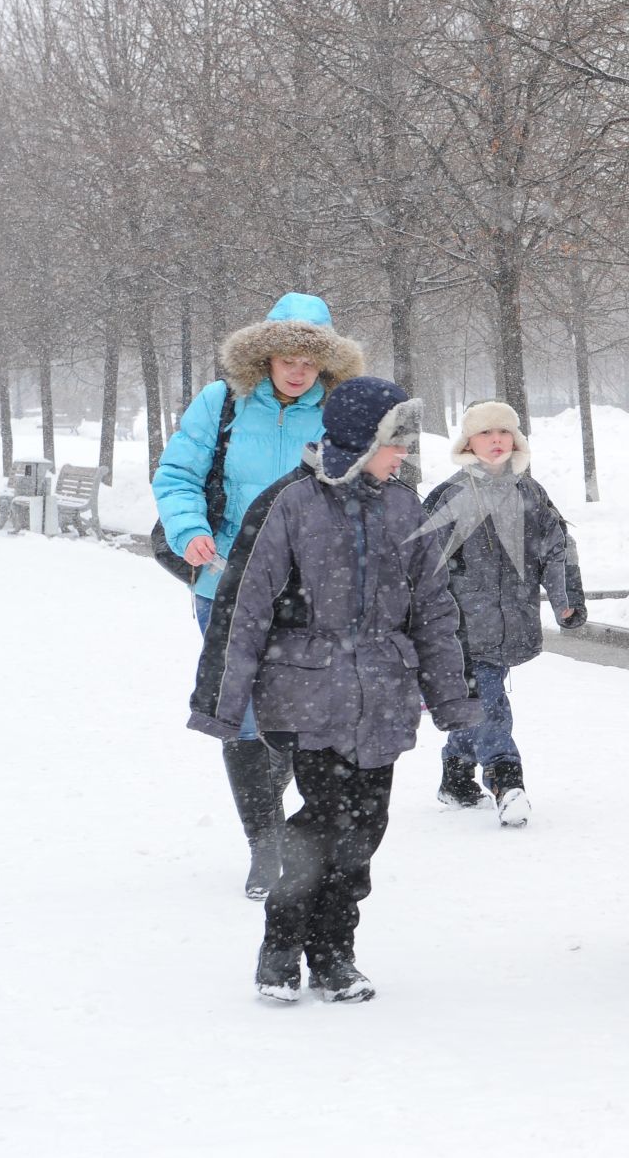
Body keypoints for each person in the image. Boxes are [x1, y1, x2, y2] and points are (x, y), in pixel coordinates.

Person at [189, 377, 482, 1003]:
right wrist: (221, 699)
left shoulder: (405, 508)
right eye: (393, 443)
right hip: (306, 693)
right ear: (360, 440)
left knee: (365, 827)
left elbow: (433, 608)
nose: (402, 456)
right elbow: (243, 606)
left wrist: (451, 696)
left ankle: (334, 956)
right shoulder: (288, 504)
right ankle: (282, 947)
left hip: (382, 694)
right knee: (324, 820)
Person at [154, 292, 366, 900]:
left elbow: (370, 488)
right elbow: (177, 475)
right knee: (241, 712)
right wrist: (190, 531)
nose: (297, 370)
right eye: (285, 357)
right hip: (227, 581)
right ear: (264, 356)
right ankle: (264, 845)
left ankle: (298, 831)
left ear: (326, 363)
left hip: (312, 592)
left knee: (303, 713)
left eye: (309, 359)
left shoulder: (342, 414)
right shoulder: (221, 403)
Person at [420, 400, 587, 825]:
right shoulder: (449, 495)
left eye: (504, 433)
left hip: (509, 624)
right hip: (459, 631)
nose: (496, 441)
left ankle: (456, 776)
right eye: (485, 433)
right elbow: (419, 565)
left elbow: (556, 548)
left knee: (476, 703)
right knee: (491, 705)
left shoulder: (530, 493)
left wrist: (567, 599)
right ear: (468, 442)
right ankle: (507, 781)